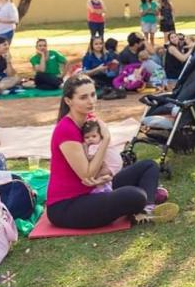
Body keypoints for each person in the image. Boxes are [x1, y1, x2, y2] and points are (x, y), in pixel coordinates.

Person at [45, 75, 179, 228]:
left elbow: (102, 168)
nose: (91, 101)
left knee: (149, 166)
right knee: (135, 195)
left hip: (96, 188)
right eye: (83, 97)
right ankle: (143, 200)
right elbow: (87, 174)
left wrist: (105, 176)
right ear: (69, 101)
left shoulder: (89, 120)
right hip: (68, 205)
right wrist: (106, 139)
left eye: (93, 94)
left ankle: (145, 209)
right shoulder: (66, 130)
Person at [81, 120, 114, 194]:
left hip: (105, 169)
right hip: (108, 168)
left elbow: (89, 158)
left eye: (94, 136)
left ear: (100, 136)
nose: (90, 139)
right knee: (103, 179)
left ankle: (102, 189)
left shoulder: (93, 147)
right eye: (87, 137)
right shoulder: (100, 143)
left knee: (96, 178)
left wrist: (85, 148)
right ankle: (105, 188)